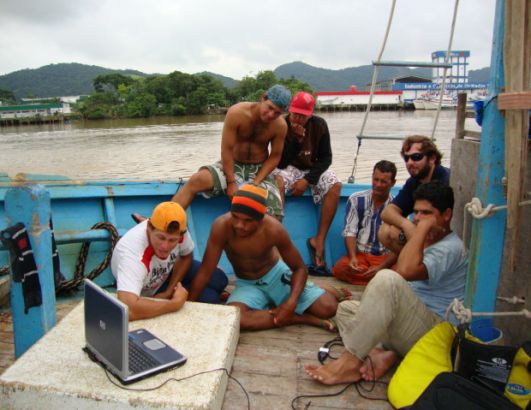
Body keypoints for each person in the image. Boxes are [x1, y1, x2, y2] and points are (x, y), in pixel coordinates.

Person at [305, 181, 467, 385]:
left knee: (387, 279)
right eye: (416, 213)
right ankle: (386, 353)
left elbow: (405, 271)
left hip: (433, 333)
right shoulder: (425, 241)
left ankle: (350, 362)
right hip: (408, 324)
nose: (417, 219)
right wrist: (419, 230)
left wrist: (420, 230)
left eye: (426, 213)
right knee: (344, 309)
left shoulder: (450, 248)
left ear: (446, 215)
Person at [188, 184, 340, 331]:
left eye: (248, 220)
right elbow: (206, 271)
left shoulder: (274, 229)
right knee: (234, 319)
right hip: (247, 284)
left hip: (276, 276)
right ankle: (297, 318)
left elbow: (299, 269)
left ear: (261, 218)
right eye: (235, 217)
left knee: (328, 307)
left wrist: (290, 304)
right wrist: (189, 305)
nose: (240, 225)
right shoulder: (221, 226)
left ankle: (294, 303)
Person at [171, 84, 292, 220]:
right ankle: (163, 220)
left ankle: (269, 240)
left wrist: (256, 183)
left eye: (277, 113)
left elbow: (275, 156)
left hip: (259, 170)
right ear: (263, 98)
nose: (271, 115)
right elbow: (226, 149)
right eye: (270, 108)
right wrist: (231, 182)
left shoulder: (280, 126)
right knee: (197, 180)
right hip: (232, 164)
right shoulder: (237, 113)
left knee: (274, 215)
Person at [111, 201, 228, 321]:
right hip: (148, 288)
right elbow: (128, 310)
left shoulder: (179, 229)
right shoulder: (133, 255)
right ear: (148, 227)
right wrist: (174, 304)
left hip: (169, 271)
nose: (165, 247)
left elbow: (186, 256)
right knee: (212, 298)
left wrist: (169, 291)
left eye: (172, 240)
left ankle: (185, 293)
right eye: (161, 238)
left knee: (221, 279)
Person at [272, 91, 342, 268]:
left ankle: (319, 240)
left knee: (335, 185)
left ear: (310, 115)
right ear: (290, 110)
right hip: (287, 167)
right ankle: (276, 240)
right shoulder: (281, 124)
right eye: (295, 114)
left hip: (311, 169)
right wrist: (296, 140)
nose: (298, 119)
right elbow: (280, 162)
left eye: (303, 116)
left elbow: (326, 158)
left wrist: (308, 180)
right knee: (277, 181)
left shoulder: (319, 125)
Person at [379, 135, 450, 254]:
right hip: (423, 233)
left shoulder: (446, 181)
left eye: (416, 157)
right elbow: (387, 212)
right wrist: (406, 225)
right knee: (386, 231)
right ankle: (419, 265)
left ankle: (422, 265)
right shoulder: (415, 181)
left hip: (443, 238)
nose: (410, 163)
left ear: (432, 158)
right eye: (406, 158)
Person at [332, 160, 397, 285]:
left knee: (398, 273)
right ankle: (378, 281)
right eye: (375, 179)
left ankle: (377, 278)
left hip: (385, 258)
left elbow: (399, 246)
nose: (378, 185)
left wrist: (381, 267)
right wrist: (352, 258)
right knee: (341, 268)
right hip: (361, 256)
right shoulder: (356, 199)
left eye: (383, 182)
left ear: (393, 183)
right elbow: (350, 232)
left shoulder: (397, 206)